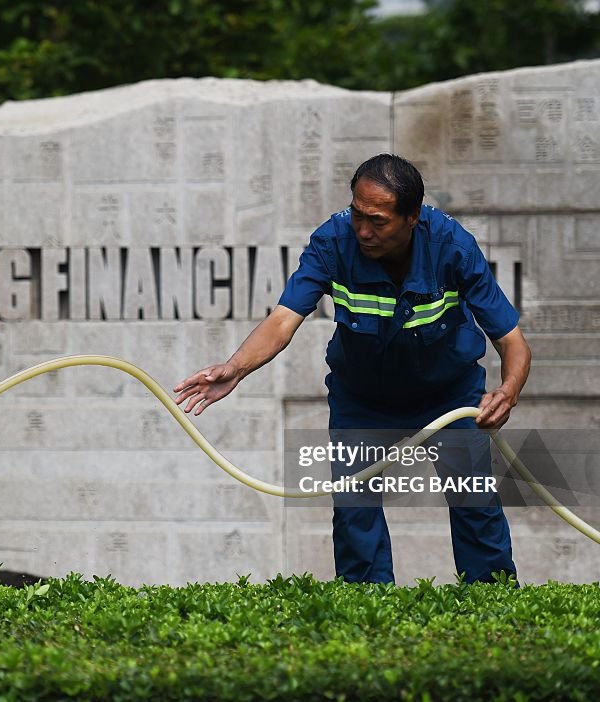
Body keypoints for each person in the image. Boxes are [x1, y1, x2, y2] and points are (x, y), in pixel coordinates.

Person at [173, 153, 531, 584]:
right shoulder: (332, 241)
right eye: (358, 214)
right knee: (354, 512)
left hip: (449, 396)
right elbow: (283, 320)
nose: (363, 230)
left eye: (377, 221)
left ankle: (492, 608)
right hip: (363, 399)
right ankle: (368, 615)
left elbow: (512, 341)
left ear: (412, 217)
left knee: (476, 503)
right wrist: (235, 367)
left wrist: (507, 392)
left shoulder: (452, 247)